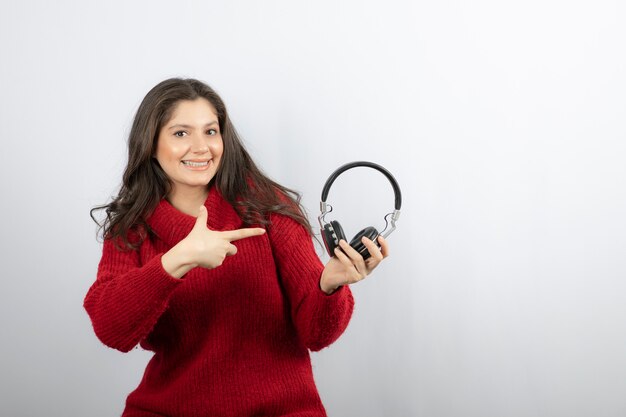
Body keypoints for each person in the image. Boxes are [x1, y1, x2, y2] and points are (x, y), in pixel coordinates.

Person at [84, 78, 390, 417]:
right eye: (181, 133)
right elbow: (111, 330)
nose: (201, 147)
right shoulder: (133, 225)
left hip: (281, 410)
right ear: (151, 143)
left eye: (211, 131)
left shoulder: (268, 208)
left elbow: (316, 335)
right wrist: (178, 259)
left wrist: (330, 284)